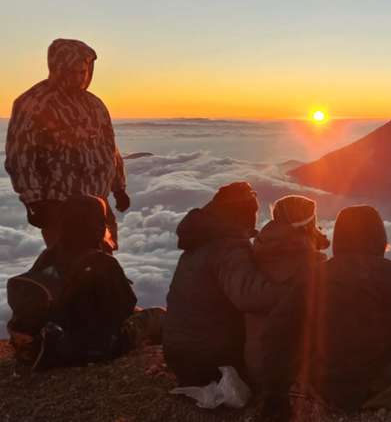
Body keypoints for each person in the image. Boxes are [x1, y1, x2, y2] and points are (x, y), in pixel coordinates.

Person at [263, 205, 391, 414]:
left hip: (325, 384)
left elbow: (276, 330)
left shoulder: (314, 276)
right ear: (379, 235)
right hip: (381, 383)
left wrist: (275, 391)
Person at [4, 39, 129, 250]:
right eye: (73, 71)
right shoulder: (35, 102)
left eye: (84, 71)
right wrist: (34, 200)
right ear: (58, 69)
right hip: (60, 204)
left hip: (98, 201)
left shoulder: (94, 104)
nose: (80, 77)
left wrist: (119, 188)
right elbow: (21, 154)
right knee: (70, 266)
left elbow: (108, 147)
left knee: (103, 260)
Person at [163, 182, 286, 386]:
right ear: (244, 215)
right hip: (207, 360)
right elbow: (250, 296)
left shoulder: (201, 237)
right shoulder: (227, 247)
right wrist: (295, 290)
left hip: (179, 353)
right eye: (253, 212)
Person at [8, 195, 136, 371]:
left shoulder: (48, 256)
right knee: (157, 316)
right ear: (98, 223)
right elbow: (126, 306)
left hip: (56, 342)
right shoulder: (103, 262)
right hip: (92, 349)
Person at [245, 195, 329, 387]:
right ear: (308, 224)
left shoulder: (255, 253)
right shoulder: (311, 265)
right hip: (289, 372)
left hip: (254, 364)